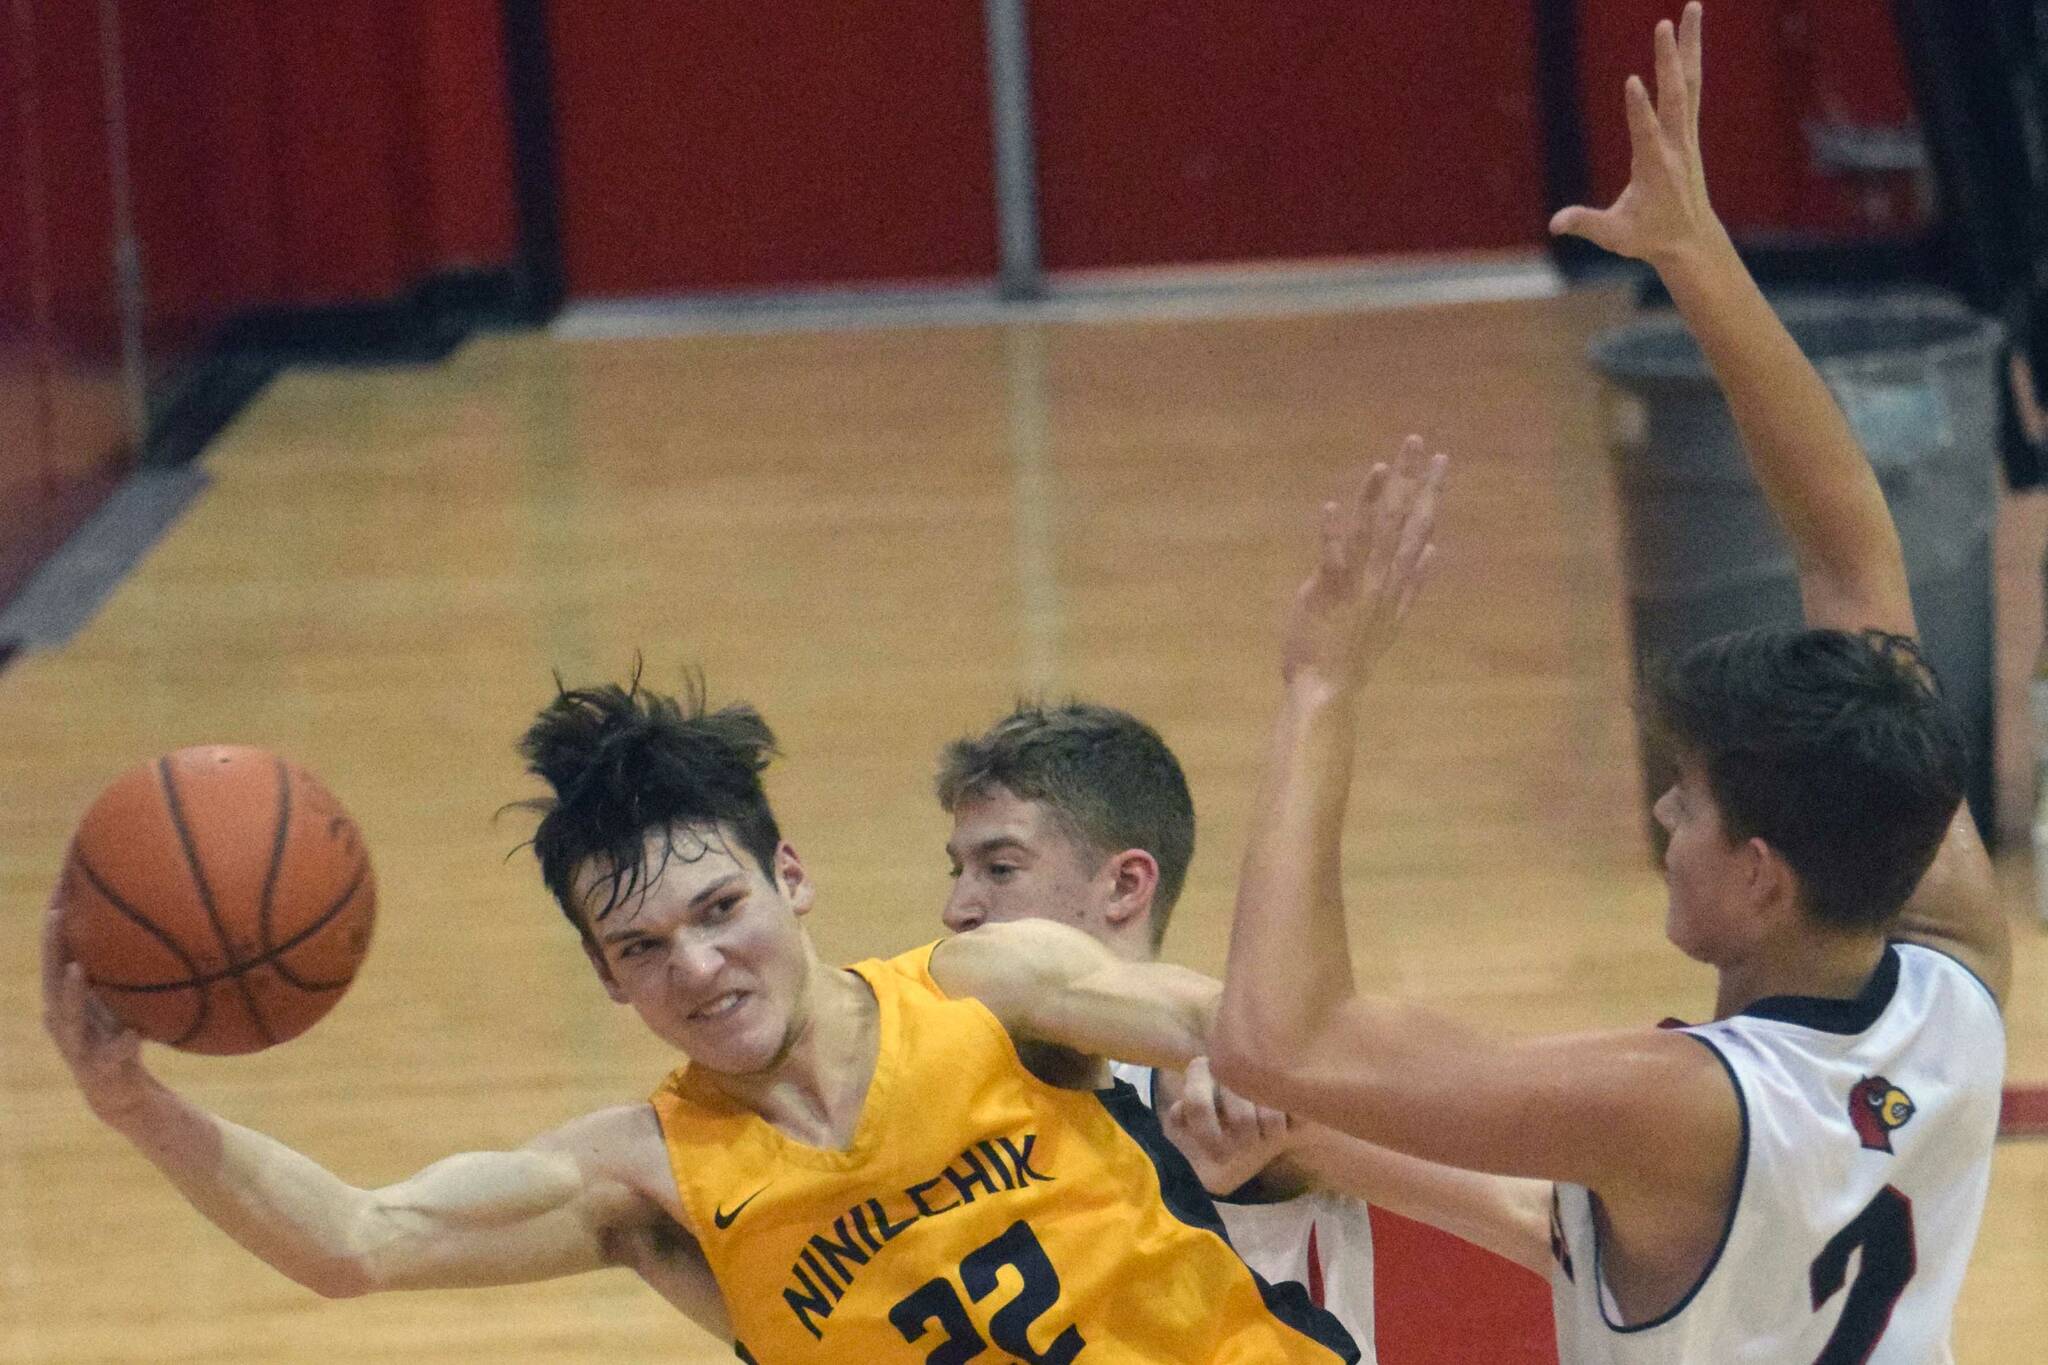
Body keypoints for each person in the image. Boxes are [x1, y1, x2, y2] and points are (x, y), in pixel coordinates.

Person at [1211, 7, 2011, 1363]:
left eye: (1687, 805)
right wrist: (1696, 258)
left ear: (1764, 874)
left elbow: (1275, 1041)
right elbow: (1851, 555)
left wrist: (1320, 688)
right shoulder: (1957, 985)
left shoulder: (1676, 1106)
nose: (1660, 818)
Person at [43, 673, 1364, 1362]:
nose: (702, 966)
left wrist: (1241, 1064)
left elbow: (1222, 1013)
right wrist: (132, 1103)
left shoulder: (985, 984)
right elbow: (357, 1242)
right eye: (643, 948)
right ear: (611, 979)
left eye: (721, 906)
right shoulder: (645, 1176)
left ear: (791, 875)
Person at [935, 701, 1554, 1359]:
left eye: (1000, 868)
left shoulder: (1227, 1084)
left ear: (1124, 885)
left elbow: (1541, 1220)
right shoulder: (946, 1082)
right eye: (958, 870)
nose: (957, 909)